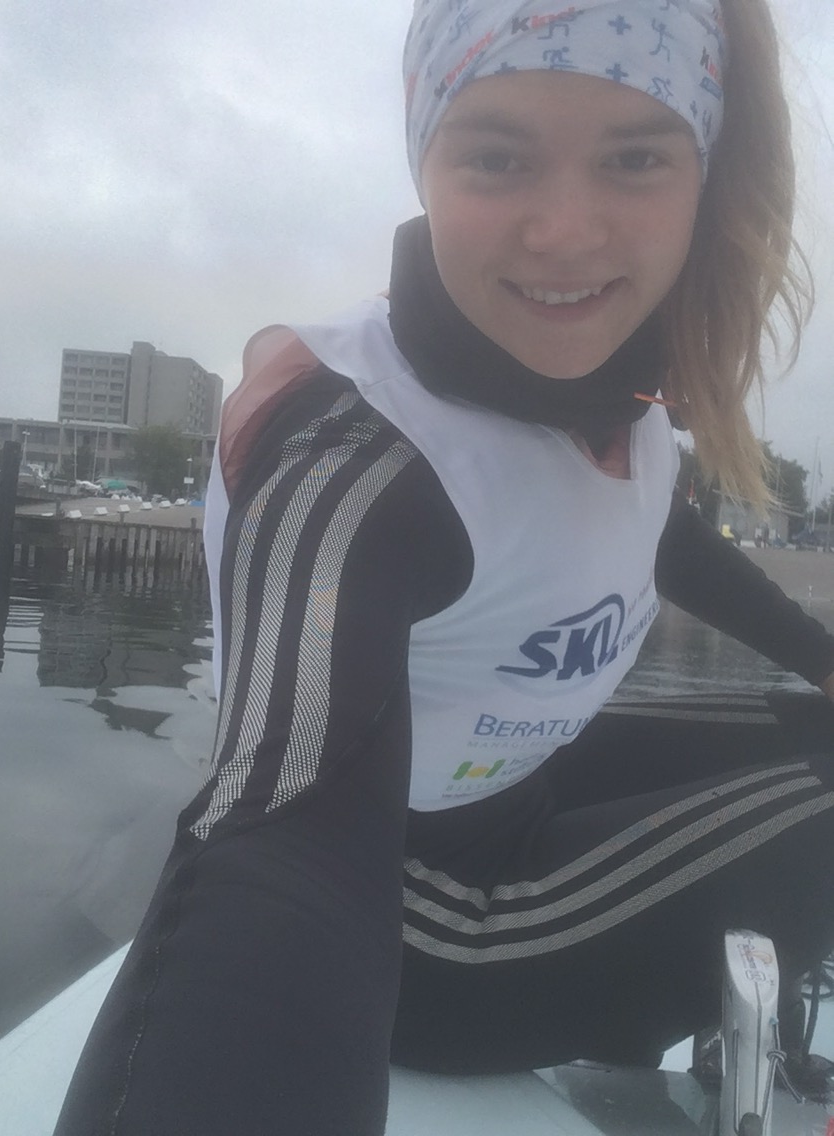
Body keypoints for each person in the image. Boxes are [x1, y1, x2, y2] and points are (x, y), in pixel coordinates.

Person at [55, 2, 834, 1133]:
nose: (563, 232)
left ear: (706, 177)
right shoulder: (356, 452)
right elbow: (282, 831)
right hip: (423, 926)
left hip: (519, 795)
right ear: (425, 160)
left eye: (634, 158)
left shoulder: (618, 403)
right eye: (498, 157)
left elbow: (663, 537)